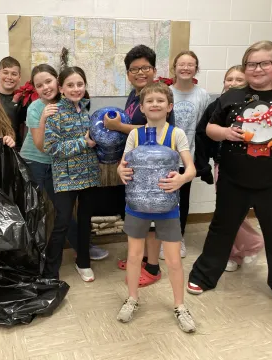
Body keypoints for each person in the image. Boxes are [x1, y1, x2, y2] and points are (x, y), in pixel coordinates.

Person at [187, 41, 272, 319]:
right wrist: (225, 134)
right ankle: (205, 275)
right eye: (251, 64)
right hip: (235, 178)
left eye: (264, 63)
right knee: (222, 229)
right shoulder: (232, 96)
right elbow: (210, 128)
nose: (257, 69)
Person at [116, 82, 196, 332]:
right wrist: (120, 170)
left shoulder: (176, 134)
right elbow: (123, 164)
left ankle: (180, 305)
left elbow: (191, 169)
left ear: (169, 106)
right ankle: (132, 298)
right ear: (142, 107)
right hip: (137, 205)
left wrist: (181, 179)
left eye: (160, 101)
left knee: (173, 260)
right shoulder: (135, 135)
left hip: (167, 206)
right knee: (133, 256)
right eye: (149, 101)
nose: (155, 105)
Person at [21, 63, 109, 260]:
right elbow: (43, 146)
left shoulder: (73, 103)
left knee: (64, 213)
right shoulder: (36, 108)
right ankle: (43, 256)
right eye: (39, 85)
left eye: (48, 81)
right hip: (38, 162)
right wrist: (44, 119)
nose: (45, 87)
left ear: (57, 82)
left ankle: (83, 249)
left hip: (62, 163)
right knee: (55, 213)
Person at [106, 45, 175, 286]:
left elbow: (155, 130)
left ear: (154, 70)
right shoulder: (135, 95)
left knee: (153, 213)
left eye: (145, 67)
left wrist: (119, 128)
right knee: (141, 212)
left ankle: (154, 267)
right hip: (139, 167)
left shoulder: (159, 96)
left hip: (157, 168)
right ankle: (143, 258)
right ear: (128, 73)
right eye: (134, 69)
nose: (139, 72)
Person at [196, 65, 265, 272]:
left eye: (239, 80)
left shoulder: (256, 108)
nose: (233, 83)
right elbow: (202, 134)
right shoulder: (215, 106)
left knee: (239, 211)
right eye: (229, 79)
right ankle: (237, 252)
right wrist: (203, 166)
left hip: (251, 166)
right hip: (223, 165)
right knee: (228, 211)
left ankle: (248, 246)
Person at [43, 66, 100, 281]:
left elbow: (94, 141)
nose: (76, 89)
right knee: (62, 222)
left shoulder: (87, 110)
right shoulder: (55, 112)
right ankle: (50, 271)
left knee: (85, 221)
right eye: (70, 85)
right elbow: (52, 148)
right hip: (66, 178)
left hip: (90, 175)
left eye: (80, 84)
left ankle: (83, 262)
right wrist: (83, 142)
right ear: (61, 88)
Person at [169, 51, 210, 258]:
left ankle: (178, 237)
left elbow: (204, 129)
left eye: (190, 64)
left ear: (196, 68)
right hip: (166, 157)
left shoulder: (202, 95)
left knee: (183, 199)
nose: (185, 68)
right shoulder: (166, 92)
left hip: (188, 158)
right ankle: (162, 239)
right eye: (181, 64)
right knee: (165, 198)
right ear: (174, 67)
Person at [0, 56, 25, 148]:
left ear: (19, 77)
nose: (9, 77)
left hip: (15, 147)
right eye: (5, 72)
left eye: (14, 74)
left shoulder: (23, 98)